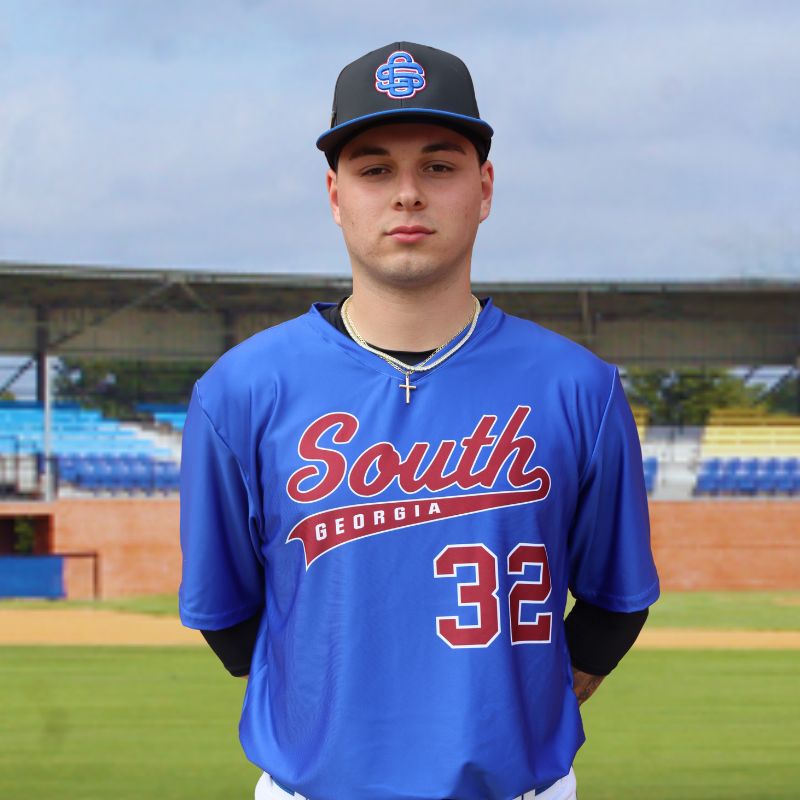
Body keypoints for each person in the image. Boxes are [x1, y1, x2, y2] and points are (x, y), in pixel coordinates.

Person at [179, 42, 660, 800]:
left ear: (484, 187)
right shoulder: (239, 391)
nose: (407, 194)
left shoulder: (579, 388)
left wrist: (514, 714)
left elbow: (614, 605)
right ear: (335, 195)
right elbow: (227, 618)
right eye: (375, 170)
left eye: (438, 166)